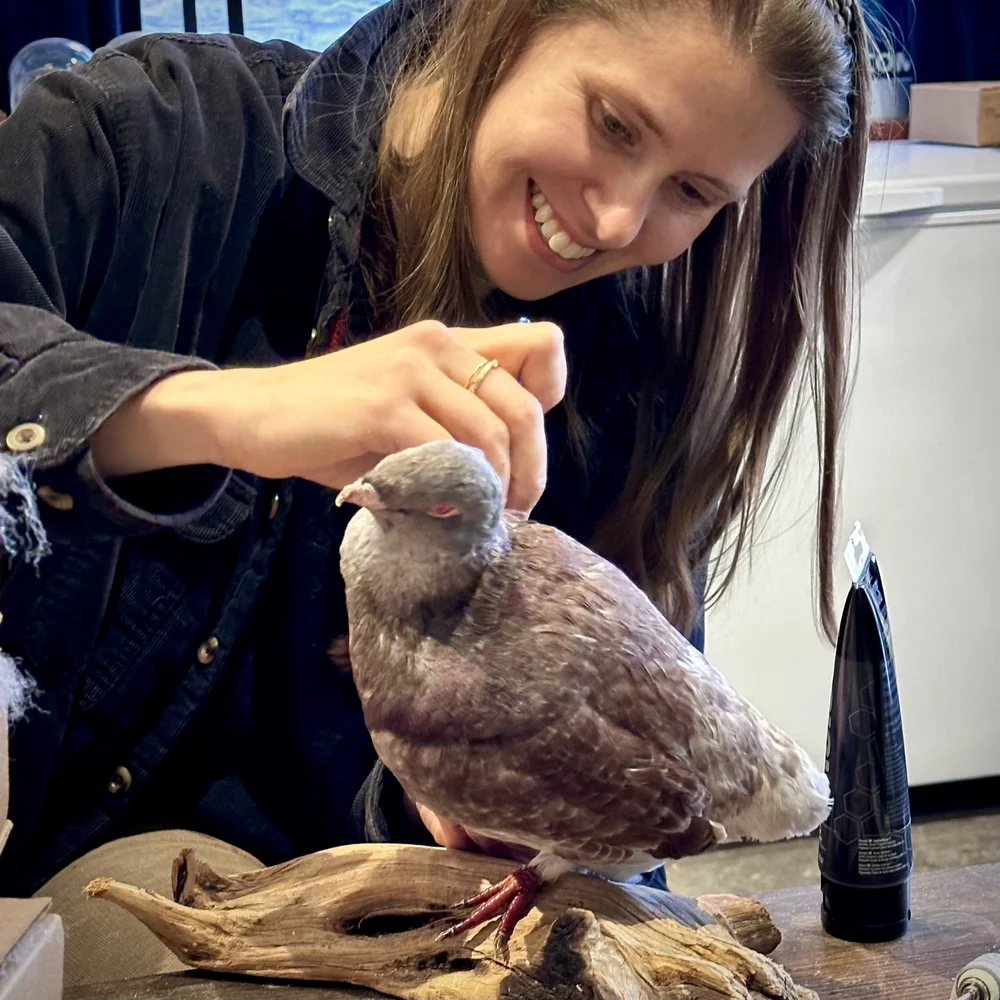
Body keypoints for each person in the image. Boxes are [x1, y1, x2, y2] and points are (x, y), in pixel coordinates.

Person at [0, 0, 868, 951]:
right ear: (511, 19)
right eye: (615, 125)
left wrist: (489, 801)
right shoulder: (152, 134)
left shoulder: (630, 390)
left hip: (395, 918)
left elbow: (623, 831)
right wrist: (228, 415)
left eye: (692, 192)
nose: (618, 218)